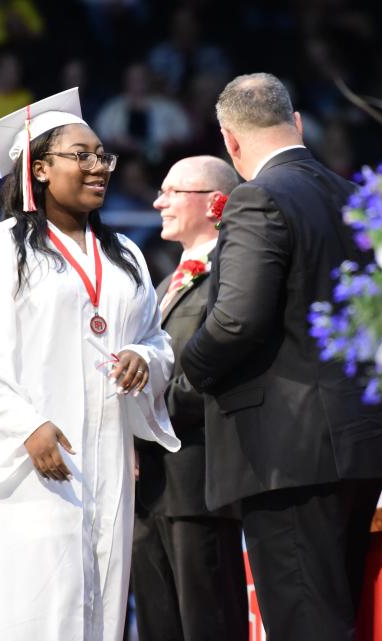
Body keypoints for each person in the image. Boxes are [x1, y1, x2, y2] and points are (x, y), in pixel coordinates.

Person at [0, 87, 179, 641]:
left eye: (103, 156)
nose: (98, 167)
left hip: (108, 457)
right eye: (82, 155)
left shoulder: (126, 256)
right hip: (29, 465)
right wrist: (26, 427)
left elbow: (156, 340)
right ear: (38, 168)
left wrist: (144, 358)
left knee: (104, 604)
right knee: (36, 607)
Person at [180, 73, 382, 641]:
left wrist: (186, 374)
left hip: (289, 454)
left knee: (306, 623)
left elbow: (236, 320)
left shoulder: (257, 196)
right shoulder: (352, 197)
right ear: (299, 125)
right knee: (335, 618)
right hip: (359, 440)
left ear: (229, 142)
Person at [131, 155, 247, 641]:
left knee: (208, 625)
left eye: (173, 191)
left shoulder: (234, 272)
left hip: (198, 483)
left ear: (215, 203)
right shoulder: (162, 284)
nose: (159, 201)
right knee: (161, 627)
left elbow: (219, 368)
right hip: (149, 490)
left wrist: (147, 417)